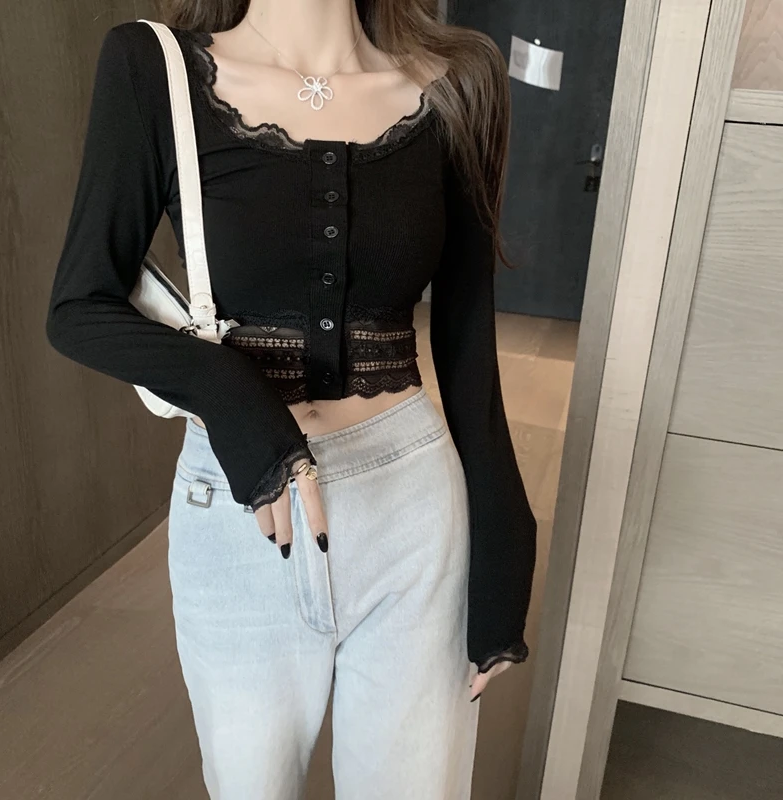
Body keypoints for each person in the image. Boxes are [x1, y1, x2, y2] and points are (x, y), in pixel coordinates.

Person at [45, 1, 537, 797]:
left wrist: (507, 544)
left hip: (414, 512)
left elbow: (468, 342)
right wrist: (233, 398)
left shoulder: (460, 82)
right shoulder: (153, 68)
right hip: (239, 517)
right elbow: (79, 305)